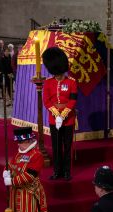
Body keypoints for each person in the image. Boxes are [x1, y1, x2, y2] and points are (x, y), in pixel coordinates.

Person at [3, 127, 48, 212]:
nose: (18, 144)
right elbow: (11, 165)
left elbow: (30, 176)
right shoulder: (19, 153)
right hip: (19, 194)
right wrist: (6, 171)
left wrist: (11, 180)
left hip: (30, 194)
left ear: (28, 141)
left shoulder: (36, 155)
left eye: (21, 142)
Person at [42, 47, 78, 181]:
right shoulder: (48, 83)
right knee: (56, 147)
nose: (56, 75)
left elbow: (73, 100)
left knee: (67, 147)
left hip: (68, 119)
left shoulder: (71, 82)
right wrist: (56, 114)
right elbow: (46, 101)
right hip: (53, 119)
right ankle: (57, 171)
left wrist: (63, 115)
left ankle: (67, 172)